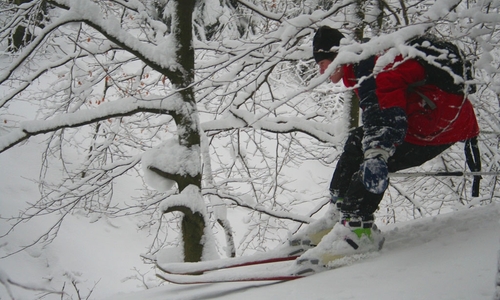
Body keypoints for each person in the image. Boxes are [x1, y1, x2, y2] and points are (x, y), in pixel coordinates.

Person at [292, 26, 480, 267]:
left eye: (324, 62)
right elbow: (381, 112)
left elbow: (384, 111)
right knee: (357, 142)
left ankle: (359, 230)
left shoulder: (373, 68)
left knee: (375, 158)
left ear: (338, 57)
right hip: (431, 120)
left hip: (436, 127)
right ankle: (340, 214)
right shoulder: (365, 63)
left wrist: (377, 154)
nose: (321, 70)